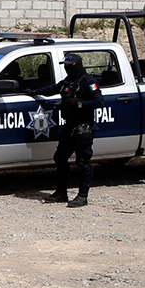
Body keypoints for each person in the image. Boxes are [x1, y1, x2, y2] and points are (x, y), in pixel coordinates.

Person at [30, 53, 104, 208]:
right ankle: (61, 192)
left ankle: (82, 196)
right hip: (69, 126)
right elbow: (55, 88)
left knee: (83, 161)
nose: (67, 68)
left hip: (83, 126)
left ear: (77, 65)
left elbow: (98, 101)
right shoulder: (68, 81)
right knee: (60, 157)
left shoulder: (88, 82)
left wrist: (80, 104)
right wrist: (35, 92)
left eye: (70, 65)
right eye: (65, 65)